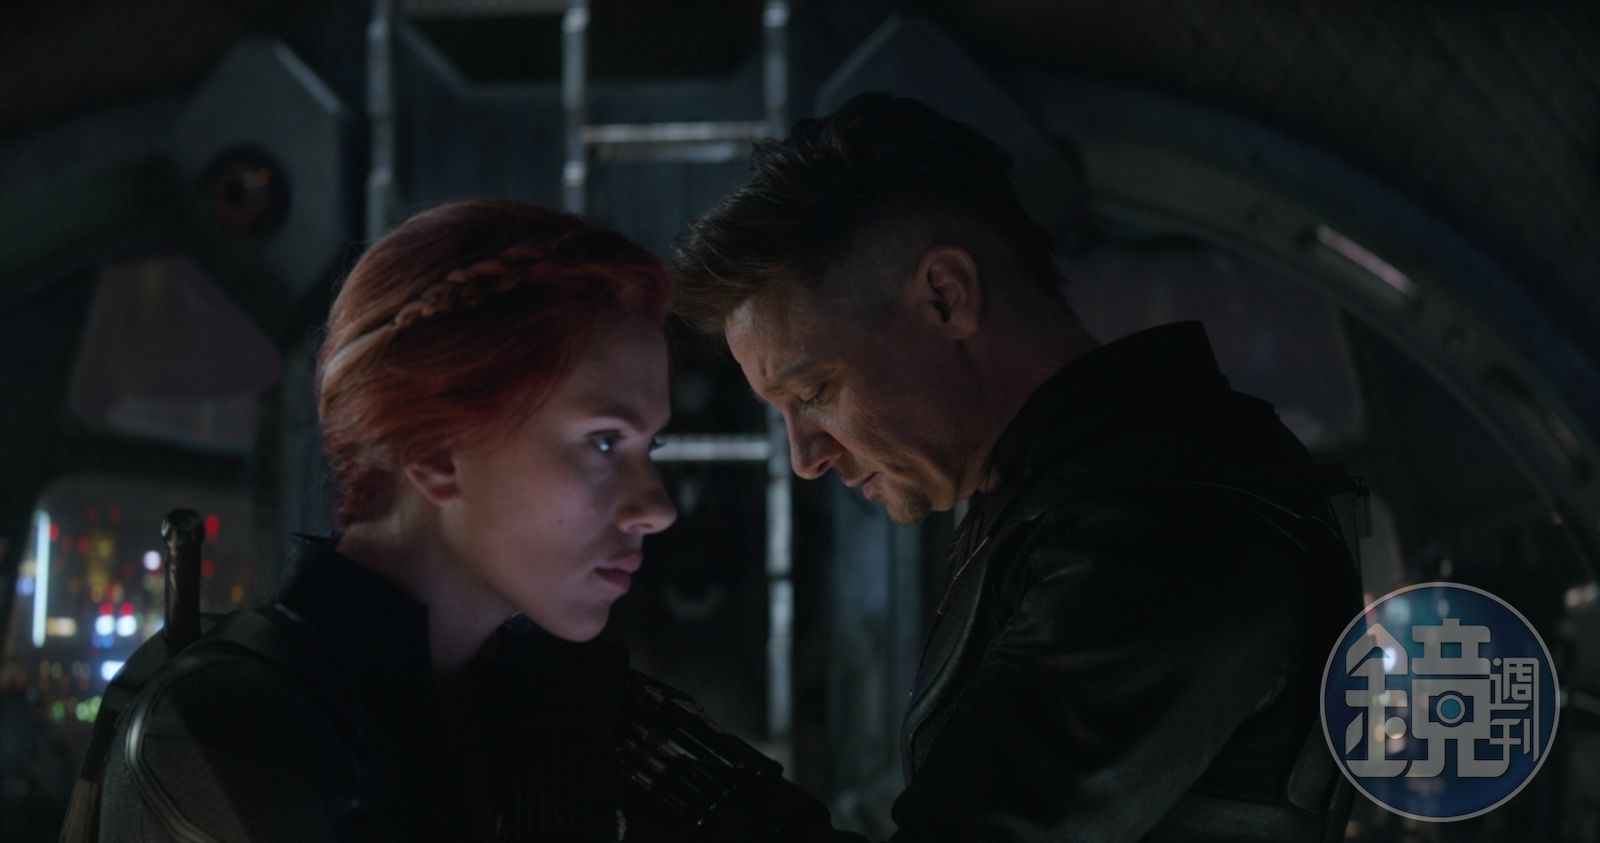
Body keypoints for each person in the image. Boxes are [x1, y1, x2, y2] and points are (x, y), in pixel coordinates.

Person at [671, 92, 1363, 841]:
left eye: (814, 392)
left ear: (947, 296)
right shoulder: (1081, 496)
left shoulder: (1163, 529)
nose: (807, 459)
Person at [93, 199, 678, 841]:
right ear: (436, 453)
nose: (657, 508)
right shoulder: (230, 732)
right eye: (604, 443)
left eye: (649, 447)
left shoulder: (549, 710)